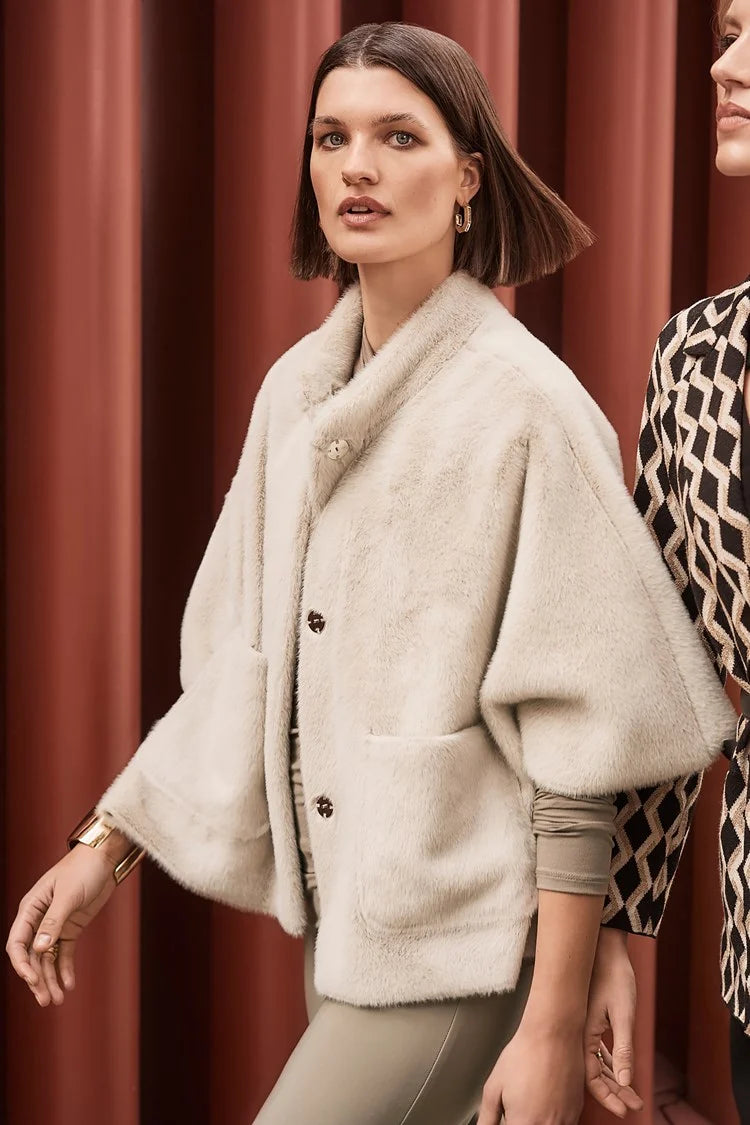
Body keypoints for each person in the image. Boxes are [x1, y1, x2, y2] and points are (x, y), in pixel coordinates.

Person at [5, 22, 736, 1125]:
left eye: (400, 137)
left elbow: (583, 745)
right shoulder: (297, 395)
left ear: (468, 182)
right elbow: (244, 665)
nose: (357, 166)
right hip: (352, 929)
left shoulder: (528, 408)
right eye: (331, 138)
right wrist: (106, 847)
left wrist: (550, 1017)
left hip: (471, 948)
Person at [584, 1, 750, 1120]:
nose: (723, 63)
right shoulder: (694, 352)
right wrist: (614, 925)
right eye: (729, 28)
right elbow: (664, 657)